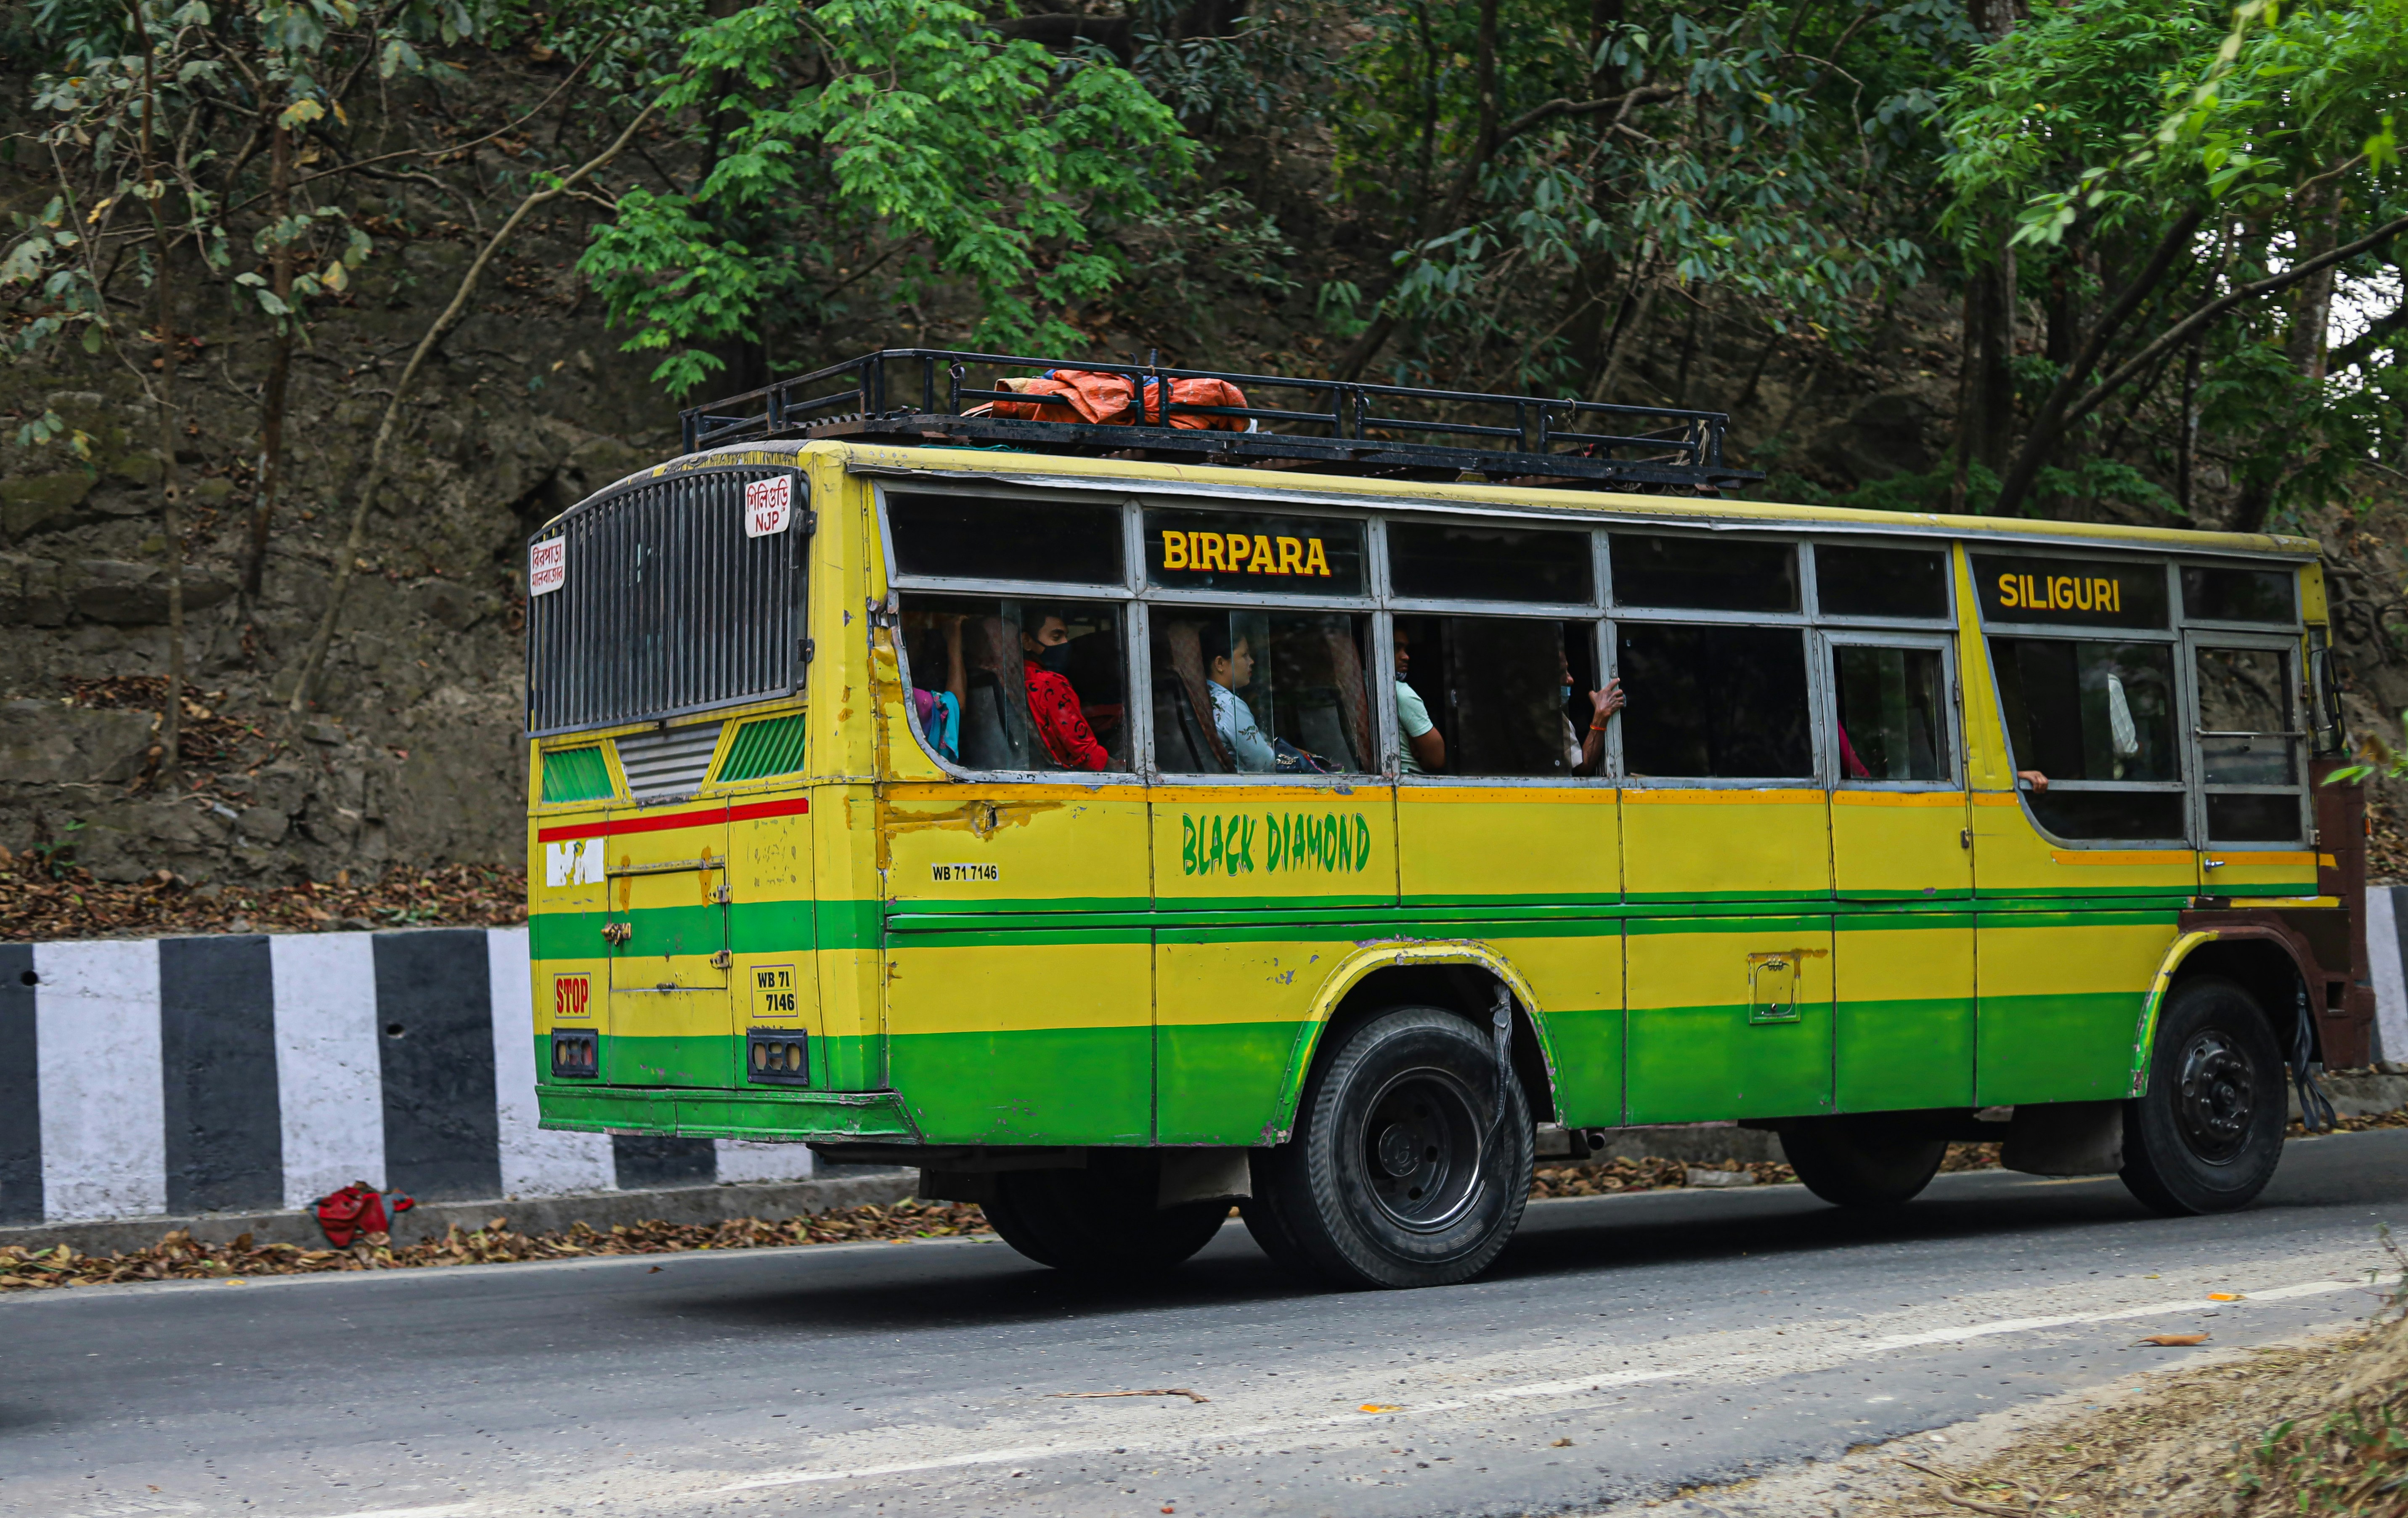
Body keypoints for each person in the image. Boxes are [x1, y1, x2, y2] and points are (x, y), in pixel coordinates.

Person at [1021, 608, 1111, 771]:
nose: (1065, 644)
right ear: (1027, 641)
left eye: (1066, 637)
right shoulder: (1050, 683)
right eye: (1056, 637)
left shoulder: (1020, 676)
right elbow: (1084, 751)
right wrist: (1121, 767)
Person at [1203, 620, 1278, 771]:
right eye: (1244, 655)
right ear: (1220, 664)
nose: (1251, 661)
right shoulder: (1229, 704)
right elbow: (1265, 764)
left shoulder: (1207, 695)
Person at [1559, 644, 1624, 773]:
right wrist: (1601, 715)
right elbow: (1581, 768)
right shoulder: (1546, 718)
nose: (1570, 680)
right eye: (1562, 673)